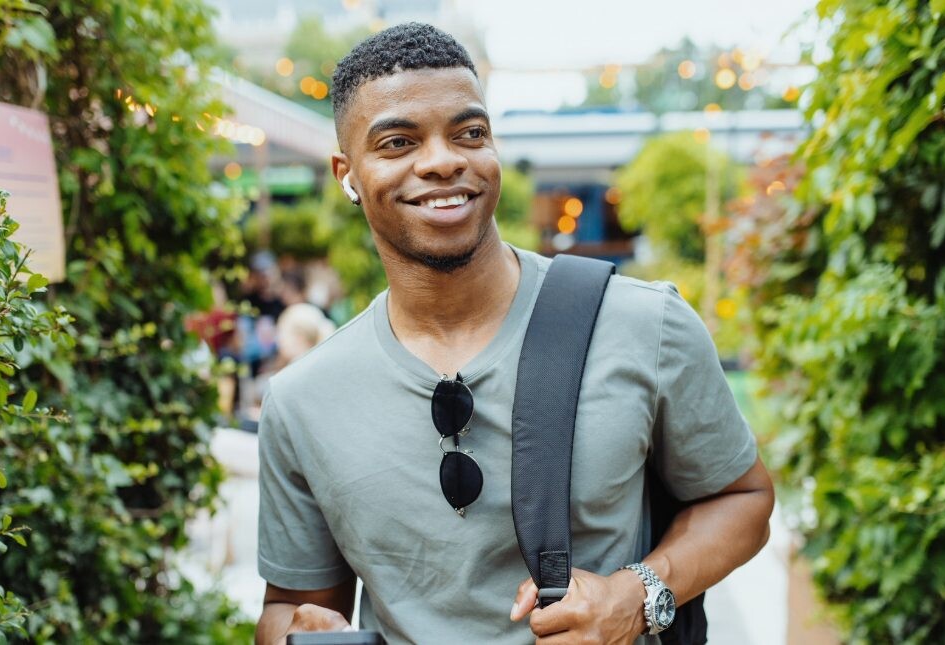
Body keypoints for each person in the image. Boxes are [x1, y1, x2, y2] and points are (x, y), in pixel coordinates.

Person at [255, 23, 774, 645]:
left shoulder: (644, 323)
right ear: (348, 174)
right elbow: (294, 607)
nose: (444, 160)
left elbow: (742, 499)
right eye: (397, 142)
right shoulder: (304, 400)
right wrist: (294, 631)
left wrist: (637, 595)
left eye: (469, 133)